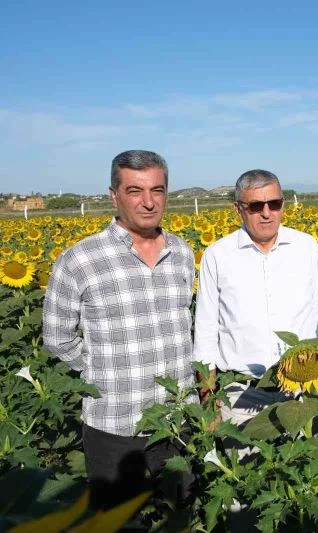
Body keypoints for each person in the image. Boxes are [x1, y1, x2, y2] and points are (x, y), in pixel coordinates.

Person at [43, 150, 195, 508]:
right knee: (115, 520)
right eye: (134, 191)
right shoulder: (80, 259)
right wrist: (101, 370)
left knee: (182, 512)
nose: (148, 202)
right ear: (114, 195)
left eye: (157, 190)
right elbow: (57, 338)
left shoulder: (183, 252)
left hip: (177, 421)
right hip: (113, 423)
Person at [193, 169, 318, 427]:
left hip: (303, 391)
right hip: (243, 396)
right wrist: (209, 405)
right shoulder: (218, 255)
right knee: (246, 466)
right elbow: (206, 335)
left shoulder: (306, 247)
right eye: (256, 206)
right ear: (238, 209)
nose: (267, 213)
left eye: (274, 204)